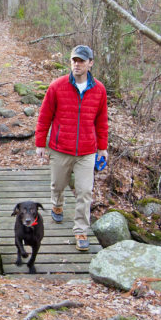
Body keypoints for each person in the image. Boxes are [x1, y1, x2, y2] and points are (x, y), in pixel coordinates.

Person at [35, 45, 108, 251]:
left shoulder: (99, 90)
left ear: (90, 63)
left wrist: (102, 148)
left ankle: (81, 231)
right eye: (74, 60)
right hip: (60, 148)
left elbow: (102, 121)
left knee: (85, 191)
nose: (77, 64)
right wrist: (40, 143)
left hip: (87, 151)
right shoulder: (57, 86)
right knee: (58, 185)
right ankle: (57, 203)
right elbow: (44, 117)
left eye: (81, 61)